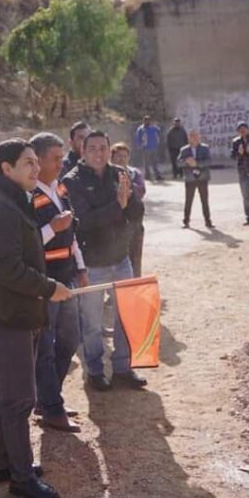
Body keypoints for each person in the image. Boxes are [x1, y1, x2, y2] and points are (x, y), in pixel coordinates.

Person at [0, 138, 72, 498]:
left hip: (15, 314)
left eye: (34, 162)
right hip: (4, 317)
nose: (36, 168)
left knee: (9, 394)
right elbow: (7, 269)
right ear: (5, 168)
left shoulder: (12, 199)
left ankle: (1, 464)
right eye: (28, 163)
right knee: (20, 399)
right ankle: (22, 478)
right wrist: (48, 288)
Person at [63, 131, 147, 391]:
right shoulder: (72, 181)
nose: (99, 153)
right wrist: (117, 207)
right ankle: (96, 370)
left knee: (125, 318)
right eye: (93, 148)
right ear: (83, 152)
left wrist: (130, 200)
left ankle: (123, 367)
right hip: (92, 265)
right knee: (92, 323)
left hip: (121, 260)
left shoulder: (119, 174)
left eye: (103, 148)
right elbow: (83, 221)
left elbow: (136, 214)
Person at [30, 133, 86, 433]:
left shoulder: (59, 187)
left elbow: (72, 231)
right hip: (44, 280)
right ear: (37, 161)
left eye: (61, 157)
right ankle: (51, 407)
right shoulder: (28, 196)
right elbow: (26, 244)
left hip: (67, 275)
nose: (61, 162)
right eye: (55, 158)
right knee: (46, 346)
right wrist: (52, 227)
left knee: (70, 338)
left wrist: (81, 265)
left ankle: (47, 396)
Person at [110, 142, 147, 278]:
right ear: (112, 157)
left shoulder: (134, 173)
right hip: (116, 225)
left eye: (125, 156)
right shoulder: (107, 174)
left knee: (135, 257)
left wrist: (128, 187)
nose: (122, 159)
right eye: (118, 156)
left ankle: (135, 287)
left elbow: (141, 190)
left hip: (135, 223)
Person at [178, 131, 214, 229]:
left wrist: (196, 163)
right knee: (188, 201)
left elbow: (209, 161)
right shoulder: (184, 150)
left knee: (204, 201)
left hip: (202, 178)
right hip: (190, 179)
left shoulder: (205, 148)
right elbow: (179, 163)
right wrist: (187, 162)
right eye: (191, 137)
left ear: (199, 137)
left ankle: (208, 221)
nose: (193, 139)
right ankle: (186, 221)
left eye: (195, 136)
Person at [134, 115, 164, 182]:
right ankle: (147, 175)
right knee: (146, 163)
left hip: (154, 147)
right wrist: (139, 145)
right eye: (146, 120)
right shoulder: (141, 129)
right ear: (143, 121)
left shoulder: (153, 127)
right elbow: (138, 138)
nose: (147, 122)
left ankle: (157, 175)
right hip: (146, 148)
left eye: (148, 120)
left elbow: (159, 130)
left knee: (155, 162)